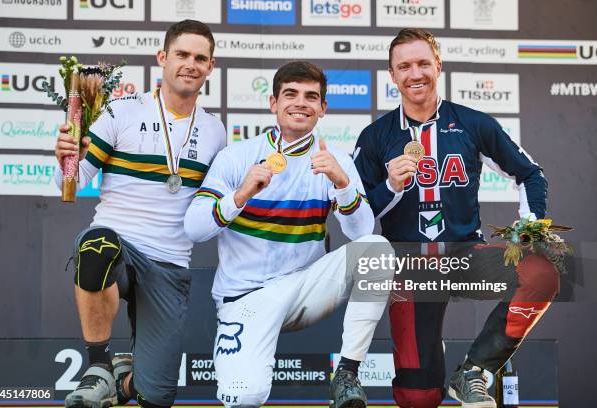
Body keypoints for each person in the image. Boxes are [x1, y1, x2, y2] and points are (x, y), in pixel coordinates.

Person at [353, 28, 559, 408]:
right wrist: (392, 187)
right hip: (408, 266)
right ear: (392, 75)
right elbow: (357, 220)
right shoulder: (375, 136)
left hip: (465, 255)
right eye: (404, 66)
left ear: (438, 66)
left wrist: (531, 226)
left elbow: (530, 173)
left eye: (422, 63)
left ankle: (475, 371)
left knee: (540, 272)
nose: (415, 73)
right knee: (418, 397)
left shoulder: (473, 122)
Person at [184, 61, 394, 408]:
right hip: (245, 298)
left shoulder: (334, 160)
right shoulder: (237, 158)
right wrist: (240, 195)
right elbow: (194, 228)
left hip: (302, 289)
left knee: (376, 249)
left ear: (323, 108)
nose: (301, 103)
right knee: (243, 397)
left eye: (311, 97)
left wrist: (342, 184)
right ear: (273, 103)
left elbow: (362, 232)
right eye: (291, 94)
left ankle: (347, 374)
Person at [54, 20, 226, 408]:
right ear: (163, 58)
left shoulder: (216, 131)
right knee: (96, 245)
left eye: (201, 58)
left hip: (169, 263)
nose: (191, 64)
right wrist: (66, 157)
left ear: (211, 67)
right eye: (182, 54)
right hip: (119, 245)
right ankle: (98, 367)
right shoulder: (121, 111)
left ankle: (126, 381)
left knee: (156, 396)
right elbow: (77, 177)